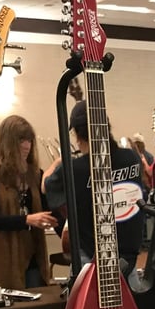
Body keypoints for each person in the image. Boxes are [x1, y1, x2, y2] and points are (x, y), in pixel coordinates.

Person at [42, 100, 145, 275]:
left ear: (77, 135)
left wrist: (59, 162)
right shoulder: (131, 158)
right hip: (129, 258)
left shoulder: (75, 168)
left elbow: (45, 186)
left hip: (92, 259)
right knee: (130, 293)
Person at [0, 115, 57, 289]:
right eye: (21, 140)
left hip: (31, 250)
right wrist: (27, 220)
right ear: (8, 142)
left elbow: (48, 209)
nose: (27, 145)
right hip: (1, 252)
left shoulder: (35, 174)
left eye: (29, 140)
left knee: (38, 296)